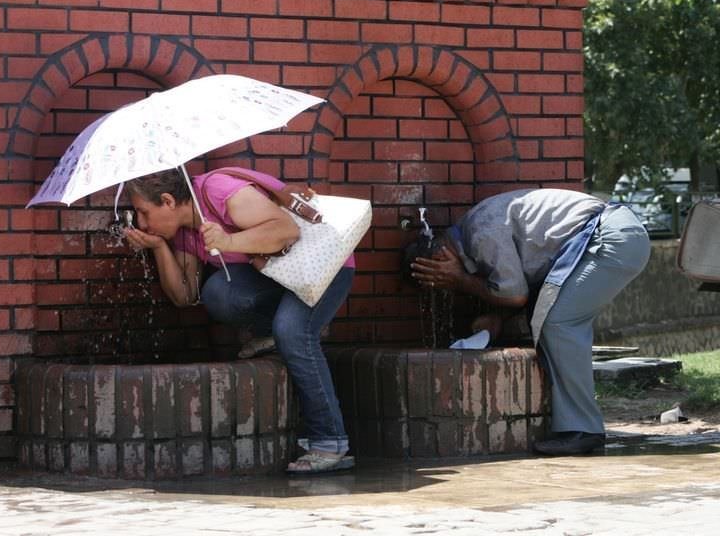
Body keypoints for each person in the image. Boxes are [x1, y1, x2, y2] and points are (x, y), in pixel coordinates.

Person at [123, 166, 355, 474]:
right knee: (218, 292)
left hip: (325, 265)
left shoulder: (217, 190)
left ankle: (331, 442)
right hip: (278, 275)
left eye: (143, 212)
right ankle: (273, 331)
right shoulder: (183, 233)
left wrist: (228, 242)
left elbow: (286, 231)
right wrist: (159, 247)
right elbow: (184, 294)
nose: (141, 223)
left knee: (294, 333)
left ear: (167, 201)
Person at [411, 188, 651, 456]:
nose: (447, 289)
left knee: (559, 323)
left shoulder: (481, 231)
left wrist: (461, 279)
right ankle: (581, 427)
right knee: (555, 320)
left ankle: (583, 431)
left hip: (610, 238)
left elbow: (515, 295)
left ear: (441, 256)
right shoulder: (477, 231)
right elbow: (529, 286)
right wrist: (497, 319)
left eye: (439, 277)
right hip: (614, 236)